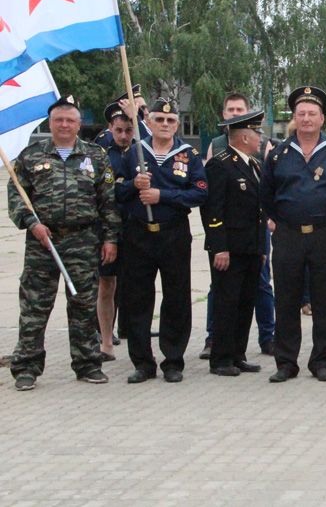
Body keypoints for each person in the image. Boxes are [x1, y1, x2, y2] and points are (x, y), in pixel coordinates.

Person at [7, 95, 120, 391]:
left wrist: (110, 238)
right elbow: (17, 196)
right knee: (34, 307)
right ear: (51, 123)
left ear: (79, 124)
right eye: (59, 120)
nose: (65, 125)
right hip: (43, 242)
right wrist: (32, 224)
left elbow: (108, 201)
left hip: (84, 241)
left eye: (70, 120)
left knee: (83, 306)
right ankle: (26, 367)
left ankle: (87, 364)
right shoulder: (30, 156)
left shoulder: (95, 156)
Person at [261, 86, 326, 383]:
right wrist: (277, 219)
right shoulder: (278, 154)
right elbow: (267, 194)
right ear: (294, 118)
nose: (306, 118)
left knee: (324, 299)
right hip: (288, 235)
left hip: (324, 235)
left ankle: (321, 361)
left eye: (312, 113)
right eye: (301, 113)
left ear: (322, 118)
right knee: (286, 299)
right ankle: (286, 362)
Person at [117, 97, 208, 384]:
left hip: (173, 233)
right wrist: (134, 185)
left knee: (177, 298)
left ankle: (173, 360)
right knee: (138, 299)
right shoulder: (135, 153)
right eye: (159, 120)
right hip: (139, 234)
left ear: (177, 125)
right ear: (150, 122)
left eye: (170, 121)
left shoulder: (188, 155)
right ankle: (143, 362)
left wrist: (162, 195)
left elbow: (200, 192)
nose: (165, 124)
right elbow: (115, 192)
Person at [201, 91, 276, 359]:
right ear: (244, 137)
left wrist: (260, 247)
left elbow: (258, 210)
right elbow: (212, 210)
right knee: (227, 303)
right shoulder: (221, 166)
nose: (260, 138)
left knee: (245, 303)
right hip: (229, 250)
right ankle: (221, 357)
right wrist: (219, 247)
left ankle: (238, 354)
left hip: (251, 248)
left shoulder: (254, 165)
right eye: (257, 133)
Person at [92, 85, 149, 349]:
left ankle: (136, 334)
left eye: (129, 130)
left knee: (137, 284)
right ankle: (105, 340)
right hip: (110, 227)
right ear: (110, 129)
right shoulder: (101, 151)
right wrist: (129, 186)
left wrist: (139, 119)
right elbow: (106, 190)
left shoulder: (143, 148)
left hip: (138, 226)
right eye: (119, 130)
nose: (124, 135)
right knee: (107, 283)